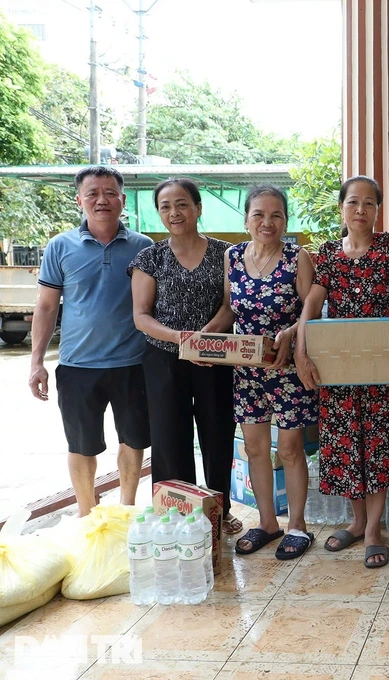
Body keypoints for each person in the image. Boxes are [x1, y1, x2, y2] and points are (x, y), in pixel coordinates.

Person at [294, 175, 389, 569]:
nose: (360, 210)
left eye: (369, 204)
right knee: (347, 447)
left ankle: (374, 529)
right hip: (340, 371)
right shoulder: (328, 254)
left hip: (381, 367)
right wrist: (301, 351)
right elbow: (311, 306)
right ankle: (357, 520)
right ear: (341, 208)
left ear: (377, 210)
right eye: (353, 203)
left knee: (378, 448)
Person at [28, 166, 152, 517]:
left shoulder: (143, 247)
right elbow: (47, 305)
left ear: (122, 200)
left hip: (133, 364)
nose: (102, 200)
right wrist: (37, 361)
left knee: (133, 439)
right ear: (79, 199)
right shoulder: (60, 247)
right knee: (82, 445)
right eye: (93, 193)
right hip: (77, 366)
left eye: (110, 193)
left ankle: (126, 509)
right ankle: (87, 515)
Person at [129, 178, 242, 535]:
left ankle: (219, 511)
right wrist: (183, 340)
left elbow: (230, 306)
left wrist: (204, 340)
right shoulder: (150, 257)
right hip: (163, 358)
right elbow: (141, 316)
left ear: (198, 208)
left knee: (218, 432)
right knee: (168, 437)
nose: (174, 212)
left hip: (215, 357)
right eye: (165, 206)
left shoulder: (226, 253)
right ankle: (177, 514)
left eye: (181, 204)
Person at [227, 185, 319, 559]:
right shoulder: (233, 256)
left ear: (285, 220)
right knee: (254, 448)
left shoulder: (298, 258)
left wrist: (292, 332)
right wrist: (202, 340)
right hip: (247, 369)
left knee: (292, 449)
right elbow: (228, 309)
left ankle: (297, 525)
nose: (267, 222)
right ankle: (267, 522)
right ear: (246, 219)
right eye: (259, 215)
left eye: (276, 215)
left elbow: (311, 311)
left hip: (289, 367)